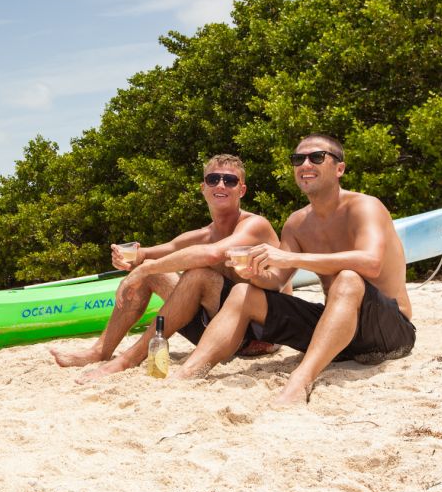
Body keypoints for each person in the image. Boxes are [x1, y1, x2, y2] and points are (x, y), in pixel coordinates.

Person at [173, 134, 416, 407]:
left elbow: (370, 262)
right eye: (298, 159)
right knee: (243, 292)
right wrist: (253, 273)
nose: (305, 164)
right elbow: (276, 281)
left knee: (348, 278)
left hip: (389, 330)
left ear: (340, 168)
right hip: (337, 332)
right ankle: (188, 372)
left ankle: (300, 380)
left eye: (316, 157)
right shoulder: (296, 223)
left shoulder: (364, 206)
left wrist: (287, 257)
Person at [49, 154, 286, 382]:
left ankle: (128, 359)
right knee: (154, 269)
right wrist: (131, 258)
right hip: (217, 332)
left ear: (241, 190)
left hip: (259, 334)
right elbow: (155, 252)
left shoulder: (255, 225)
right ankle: (100, 350)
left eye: (230, 180)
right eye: (213, 179)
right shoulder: (203, 234)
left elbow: (213, 253)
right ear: (203, 187)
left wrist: (144, 269)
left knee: (197, 275)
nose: (221, 184)